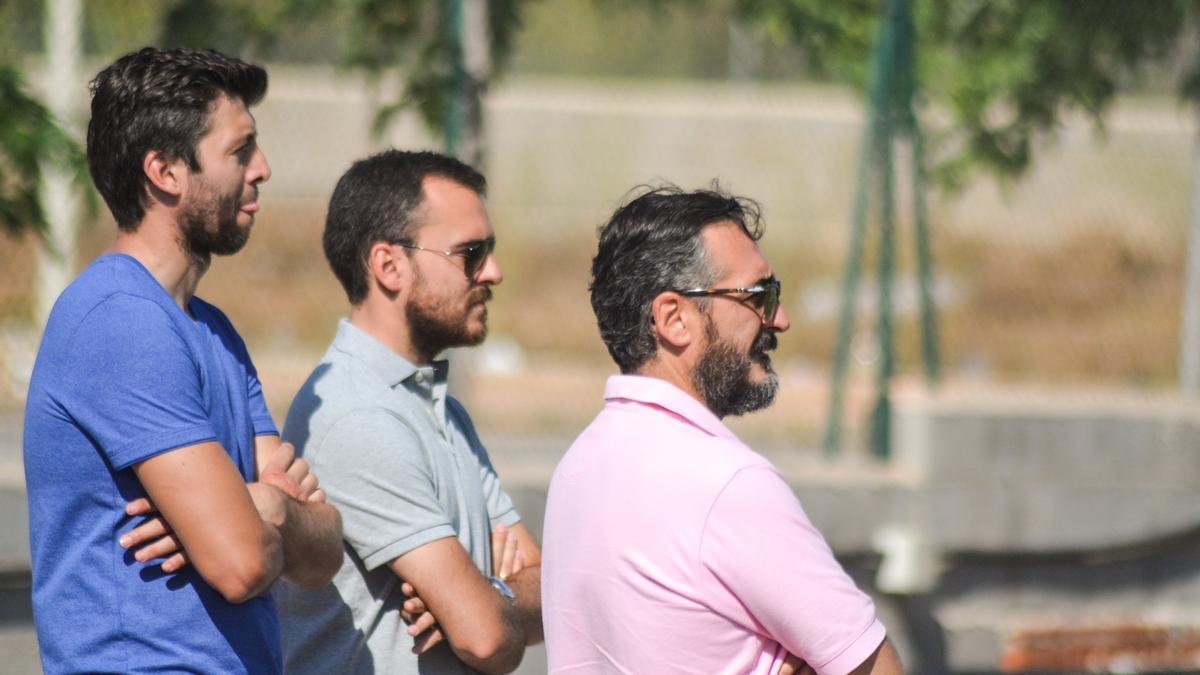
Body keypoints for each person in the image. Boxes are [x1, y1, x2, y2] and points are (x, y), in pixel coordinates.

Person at [23, 47, 343, 674]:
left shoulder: (213, 331)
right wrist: (248, 516)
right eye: (240, 150)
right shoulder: (119, 321)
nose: (264, 170)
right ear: (166, 171)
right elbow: (242, 563)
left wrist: (266, 506)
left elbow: (324, 553)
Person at [541, 186, 905, 675]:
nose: (781, 318)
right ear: (674, 318)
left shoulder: (578, 467)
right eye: (759, 295)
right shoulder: (728, 484)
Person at [275, 149, 542, 674]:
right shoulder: (360, 417)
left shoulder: (438, 408)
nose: (495, 272)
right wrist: (488, 608)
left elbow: (541, 588)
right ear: (389, 266)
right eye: (471, 253)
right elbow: (490, 641)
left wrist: (485, 594)